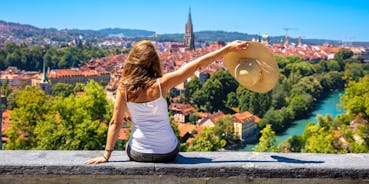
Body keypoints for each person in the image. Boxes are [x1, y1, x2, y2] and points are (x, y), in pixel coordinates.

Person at [84, 40, 249, 164]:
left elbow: (115, 122)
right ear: (154, 61)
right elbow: (197, 64)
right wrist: (227, 49)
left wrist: (106, 155)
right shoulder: (162, 84)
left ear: (132, 61)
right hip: (168, 151)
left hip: (139, 153)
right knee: (172, 140)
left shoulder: (123, 89)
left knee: (130, 143)